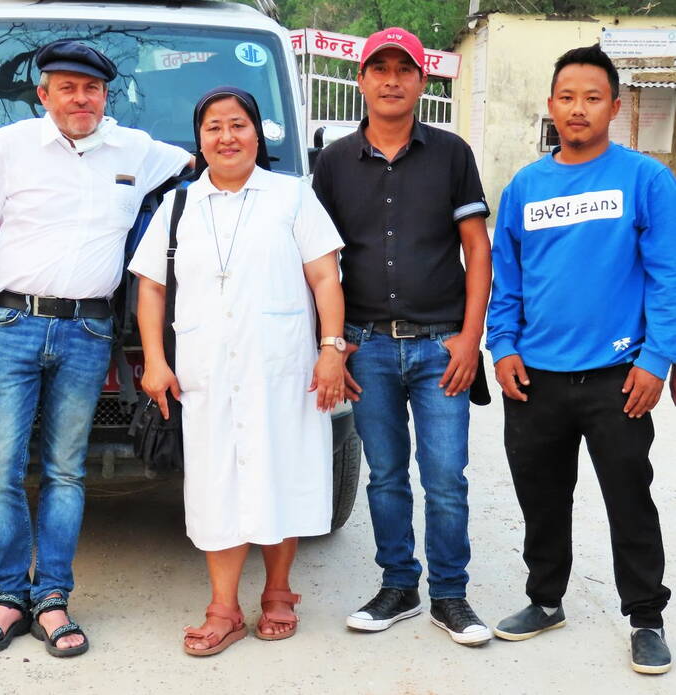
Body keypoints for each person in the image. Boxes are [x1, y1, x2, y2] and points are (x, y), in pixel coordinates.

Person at [0, 40, 192, 657]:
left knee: (64, 470)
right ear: (44, 95)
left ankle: (52, 598)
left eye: (92, 89)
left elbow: (205, 163)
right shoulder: (7, 148)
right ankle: (10, 595)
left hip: (88, 331)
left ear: (107, 95)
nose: (80, 99)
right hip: (11, 324)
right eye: (66, 88)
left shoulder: (136, 148)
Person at [129, 86, 352, 657]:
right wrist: (154, 360)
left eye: (238, 125)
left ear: (258, 133)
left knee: (284, 471)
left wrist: (331, 348)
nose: (226, 138)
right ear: (199, 140)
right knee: (214, 484)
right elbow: (151, 287)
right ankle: (223, 608)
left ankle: (279, 592)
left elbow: (326, 278)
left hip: (283, 366)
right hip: (204, 369)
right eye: (213, 128)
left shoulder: (292, 196)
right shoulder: (178, 206)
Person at [487, 44, 676, 675]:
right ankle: (545, 601)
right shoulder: (524, 187)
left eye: (592, 97)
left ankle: (646, 616)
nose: (578, 108)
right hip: (535, 379)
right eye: (567, 96)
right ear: (550, 105)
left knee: (630, 498)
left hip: (617, 379)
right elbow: (505, 278)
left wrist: (657, 358)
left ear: (615, 108)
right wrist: (503, 344)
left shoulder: (646, 179)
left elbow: (666, 275)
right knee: (541, 497)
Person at [312, 27, 494, 645]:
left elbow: (477, 250)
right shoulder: (334, 162)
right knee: (385, 475)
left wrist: (471, 339)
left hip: (442, 346)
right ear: (360, 80)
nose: (391, 80)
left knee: (446, 477)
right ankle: (399, 585)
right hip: (369, 347)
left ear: (422, 81)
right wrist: (333, 345)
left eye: (404, 69)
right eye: (379, 68)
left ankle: (450, 595)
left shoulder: (451, 154)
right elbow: (319, 261)